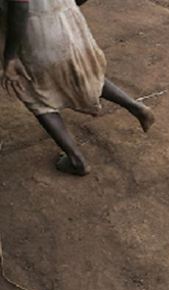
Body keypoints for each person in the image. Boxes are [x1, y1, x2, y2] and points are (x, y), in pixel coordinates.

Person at [0, 0, 155, 176]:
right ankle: (137, 108)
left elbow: (20, 7)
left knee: (35, 95)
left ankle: (76, 160)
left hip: (34, 30)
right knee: (84, 74)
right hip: (68, 19)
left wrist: (10, 57)